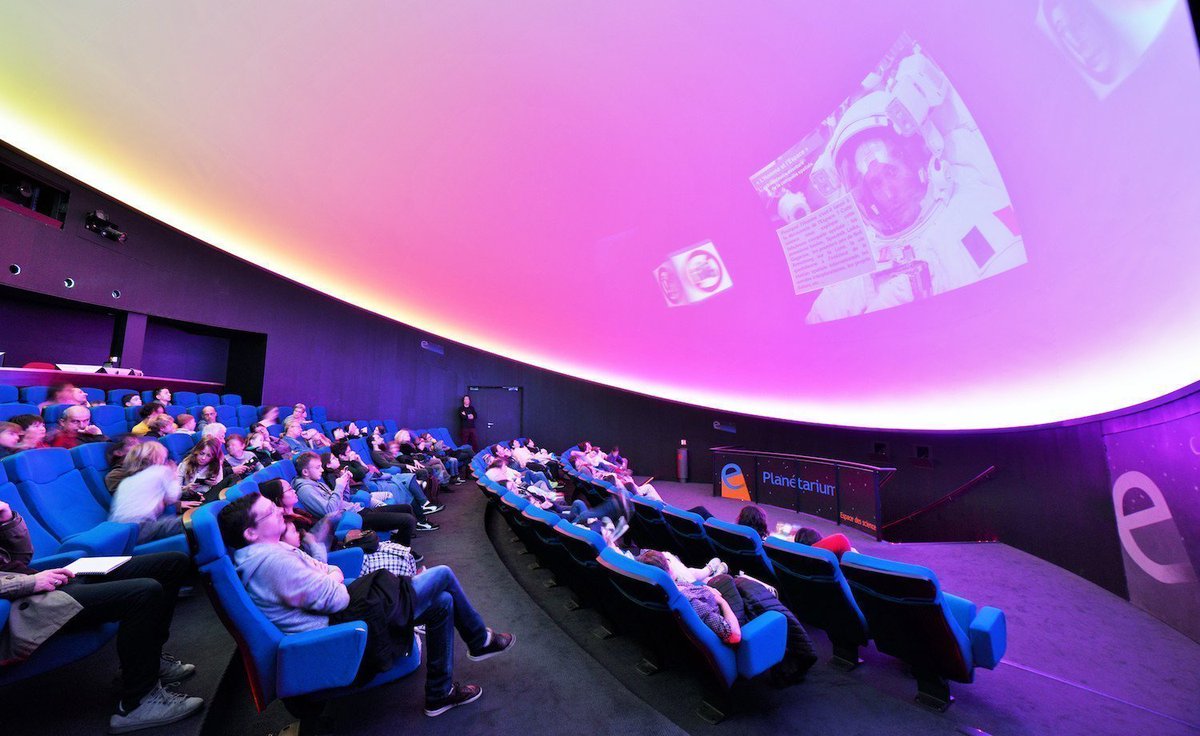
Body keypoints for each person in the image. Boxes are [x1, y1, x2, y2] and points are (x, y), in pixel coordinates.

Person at [218, 492, 514, 717]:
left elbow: (322, 571)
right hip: (342, 629)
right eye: (268, 511)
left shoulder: (269, 550)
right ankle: (479, 640)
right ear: (250, 533)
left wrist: (330, 574)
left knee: (442, 602)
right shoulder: (272, 562)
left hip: (342, 614)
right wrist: (332, 576)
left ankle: (440, 692)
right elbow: (338, 598)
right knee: (442, 574)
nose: (278, 510)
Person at [0, 498, 203, 731]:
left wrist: (6, 518)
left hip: (42, 582)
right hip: (21, 607)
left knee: (171, 563)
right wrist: (28, 583)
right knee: (144, 592)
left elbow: (21, 558)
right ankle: (138, 703)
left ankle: (148, 662)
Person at [637, 549, 817, 685]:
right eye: (668, 562)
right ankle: (803, 652)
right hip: (731, 624)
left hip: (711, 604)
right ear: (667, 571)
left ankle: (746, 585)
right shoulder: (690, 602)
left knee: (741, 585)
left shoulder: (660, 593)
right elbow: (732, 635)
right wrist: (721, 600)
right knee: (750, 592)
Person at [291, 451, 430, 541]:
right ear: (305, 472)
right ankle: (403, 553)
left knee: (406, 508)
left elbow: (343, 500)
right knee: (407, 520)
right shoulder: (306, 490)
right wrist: (339, 486)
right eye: (317, 467)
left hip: (357, 510)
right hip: (356, 518)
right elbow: (329, 511)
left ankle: (400, 540)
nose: (321, 470)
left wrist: (344, 485)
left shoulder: (315, 482)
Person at [110, 442, 196, 542]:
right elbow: (173, 497)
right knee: (196, 522)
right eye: (164, 459)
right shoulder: (160, 471)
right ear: (157, 458)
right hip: (141, 528)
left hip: (120, 533)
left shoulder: (125, 482)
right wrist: (174, 475)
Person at [176, 437, 224, 502]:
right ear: (196, 451)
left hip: (208, 496)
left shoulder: (216, 466)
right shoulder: (185, 464)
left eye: (208, 456)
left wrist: (214, 484)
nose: (203, 458)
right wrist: (186, 487)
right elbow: (175, 489)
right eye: (201, 453)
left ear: (213, 457)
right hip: (190, 497)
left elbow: (219, 489)